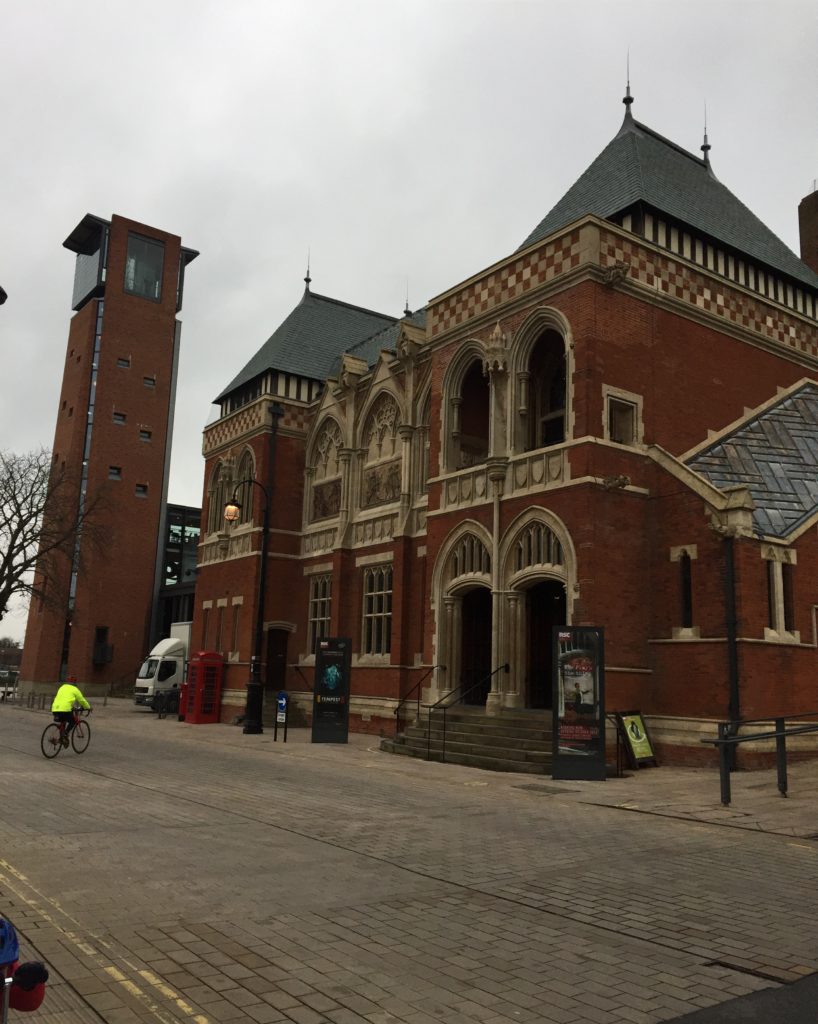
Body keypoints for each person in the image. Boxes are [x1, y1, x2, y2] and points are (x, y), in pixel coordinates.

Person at [51, 675, 91, 747]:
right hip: (65, 709)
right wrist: (88, 707)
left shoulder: (62, 687)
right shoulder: (75, 689)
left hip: (55, 709)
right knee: (73, 721)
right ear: (75, 683)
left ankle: (62, 738)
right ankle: (65, 735)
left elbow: (64, 698)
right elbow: (81, 700)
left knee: (63, 722)